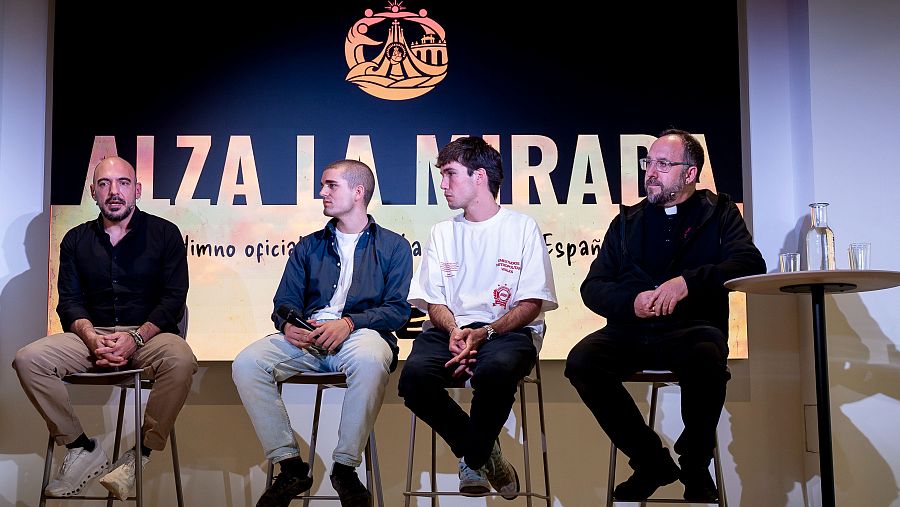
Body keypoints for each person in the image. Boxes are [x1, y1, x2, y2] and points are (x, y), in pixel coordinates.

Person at [565, 129, 766, 502]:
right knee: (582, 361)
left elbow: (750, 262)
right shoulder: (626, 222)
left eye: (662, 164)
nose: (650, 172)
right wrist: (633, 302)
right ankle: (650, 461)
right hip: (631, 331)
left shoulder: (719, 212)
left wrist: (688, 283)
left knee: (707, 357)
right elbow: (592, 287)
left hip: (692, 329)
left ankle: (694, 464)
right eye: (648, 163)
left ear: (689, 174)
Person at [13, 156, 196, 501]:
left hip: (148, 336)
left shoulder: (164, 234)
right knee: (28, 359)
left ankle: (140, 455)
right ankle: (81, 447)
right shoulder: (75, 240)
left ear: (137, 190)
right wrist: (91, 337)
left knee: (182, 360)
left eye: (123, 183)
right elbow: (69, 303)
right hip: (90, 334)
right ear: (93, 192)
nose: (114, 191)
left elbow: (173, 299)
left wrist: (135, 337)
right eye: (105, 184)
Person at [232, 160, 412, 507]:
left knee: (371, 359)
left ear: (358, 192)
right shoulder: (309, 246)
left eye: (330, 185)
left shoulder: (393, 247)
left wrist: (348, 324)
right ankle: (290, 467)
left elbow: (397, 310)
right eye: (322, 185)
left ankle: (345, 468)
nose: (322, 193)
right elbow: (284, 301)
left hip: (359, 334)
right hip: (309, 337)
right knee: (247, 363)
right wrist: (287, 325)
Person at [399, 136, 557, 499]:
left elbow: (532, 302)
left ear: (480, 177)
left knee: (496, 372)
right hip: (449, 331)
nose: (443, 185)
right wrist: (455, 329)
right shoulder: (443, 231)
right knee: (414, 381)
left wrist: (484, 333)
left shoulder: (521, 228)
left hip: (507, 330)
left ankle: (472, 459)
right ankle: (486, 453)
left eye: (451, 174)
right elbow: (433, 300)